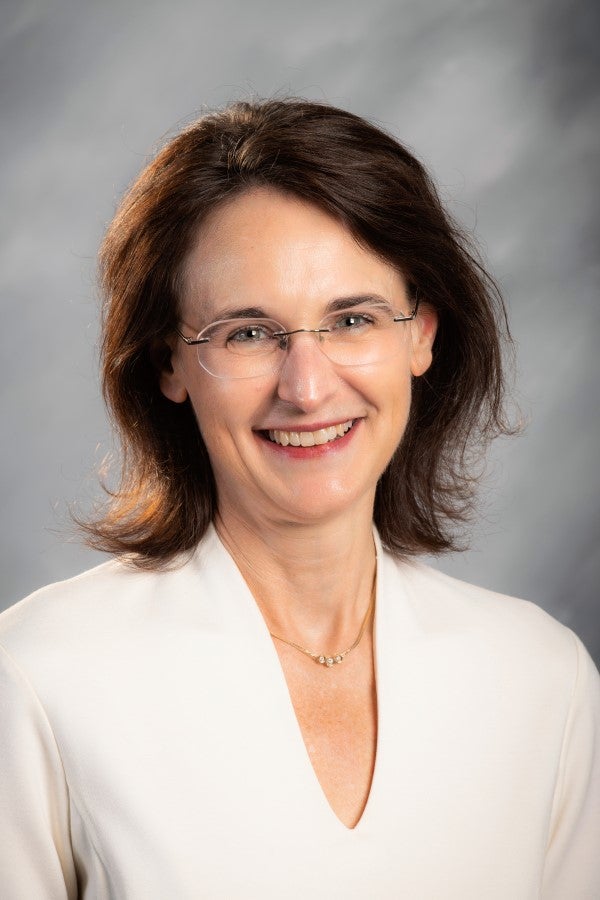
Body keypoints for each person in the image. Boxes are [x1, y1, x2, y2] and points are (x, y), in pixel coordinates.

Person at [0, 98, 598, 900]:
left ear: (422, 334)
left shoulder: (541, 678)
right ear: (168, 364)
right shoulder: (36, 678)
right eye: (248, 333)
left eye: (352, 319)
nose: (308, 388)